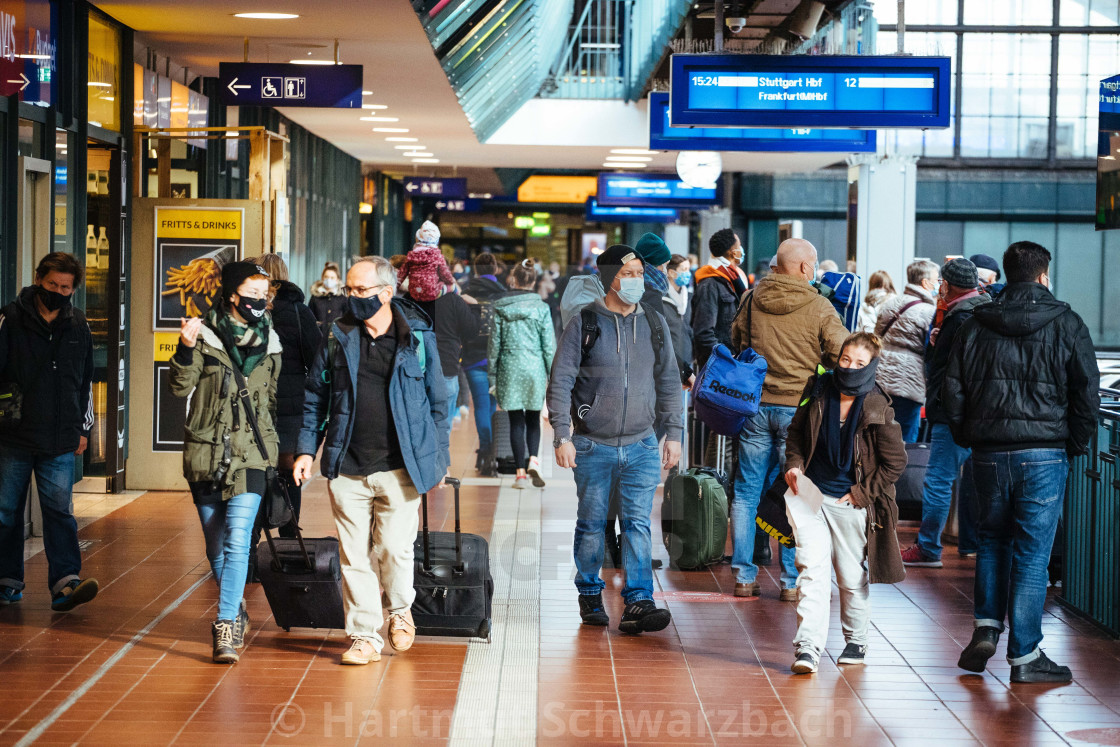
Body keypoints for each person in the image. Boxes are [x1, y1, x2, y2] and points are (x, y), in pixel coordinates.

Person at [945, 241, 1099, 684]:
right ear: (1044, 275)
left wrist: (969, 437)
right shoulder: (1068, 323)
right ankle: (1026, 655)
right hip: (1045, 452)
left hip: (988, 454)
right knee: (1033, 556)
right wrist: (1074, 443)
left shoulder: (974, 324)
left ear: (1007, 275)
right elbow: (1087, 392)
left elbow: (952, 390)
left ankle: (987, 628)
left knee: (992, 541)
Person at [294, 256, 449, 665]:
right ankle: (364, 636)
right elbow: (315, 398)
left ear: (385, 292)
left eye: (359, 290)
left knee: (394, 549)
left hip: (401, 467)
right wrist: (307, 449)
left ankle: (399, 611)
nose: (351, 297)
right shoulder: (337, 336)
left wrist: (439, 457)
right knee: (354, 555)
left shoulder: (417, 338)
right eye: (348, 289)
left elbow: (439, 404)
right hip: (347, 464)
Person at [547, 245, 681, 634]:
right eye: (629, 274)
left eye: (640, 272)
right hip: (592, 444)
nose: (637, 280)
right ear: (610, 279)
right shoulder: (585, 323)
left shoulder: (653, 323)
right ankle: (589, 592)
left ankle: (639, 600)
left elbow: (670, 381)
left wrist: (674, 433)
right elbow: (561, 381)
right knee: (591, 524)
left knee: (637, 523)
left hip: (641, 443)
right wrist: (561, 435)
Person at [170, 261, 281, 663]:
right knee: (215, 545)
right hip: (206, 453)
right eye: (253, 295)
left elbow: (268, 401)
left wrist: (277, 449)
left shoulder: (271, 342)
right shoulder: (203, 335)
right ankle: (235, 607)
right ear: (233, 295)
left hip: (251, 453)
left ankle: (224, 628)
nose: (260, 303)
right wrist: (183, 347)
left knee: (238, 542)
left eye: (264, 297)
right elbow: (180, 386)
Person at [728, 238, 848, 600]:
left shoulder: (751, 299)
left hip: (754, 407)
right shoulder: (819, 306)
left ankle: (744, 576)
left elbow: (737, 342)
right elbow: (841, 354)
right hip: (799, 412)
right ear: (803, 268)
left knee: (746, 491)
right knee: (796, 493)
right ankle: (791, 581)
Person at [783, 332, 906, 673]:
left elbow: (895, 462)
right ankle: (807, 648)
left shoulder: (877, 405)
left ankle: (856, 640)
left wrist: (862, 493)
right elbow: (795, 433)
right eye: (846, 360)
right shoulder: (818, 389)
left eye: (860, 363)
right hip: (810, 497)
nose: (851, 367)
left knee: (851, 578)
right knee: (812, 571)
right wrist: (794, 465)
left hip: (851, 503)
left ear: (872, 366)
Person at [0, 253, 99, 612]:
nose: (58, 291)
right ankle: (7, 579)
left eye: (66, 287)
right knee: (6, 510)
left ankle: (66, 583)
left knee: (59, 510)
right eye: (53, 284)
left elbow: (86, 381)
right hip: (13, 434)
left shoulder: (79, 325)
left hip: (60, 437)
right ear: (38, 279)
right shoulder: (9, 319)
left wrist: (84, 428)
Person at [901, 258, 990, 568]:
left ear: (949, 286)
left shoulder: (958, 317)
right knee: (977, 482)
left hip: (952, 415)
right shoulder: (984, 309)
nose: (939, 288)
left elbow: (947, 369)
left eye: (941, 283)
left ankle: (927, 548)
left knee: (938, 480)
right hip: (980, 413)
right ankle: (976, 546)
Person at [247, 254, 321, 550]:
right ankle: (290, 543)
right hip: (291, 406)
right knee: (292, 473)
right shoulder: (298, 312)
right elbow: (316, 358)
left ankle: (249, 550)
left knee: (252, 475)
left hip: (253, 404)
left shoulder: (245, 310)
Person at [398, 224, 481, 441]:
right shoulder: (452, 300)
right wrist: (474, 307)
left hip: (414, 369)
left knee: (415, 427)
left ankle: (419, 470)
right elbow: (472, 331)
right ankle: (439, 472)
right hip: (446, 367)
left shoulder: (407, 301)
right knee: (441, 427)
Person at [490, 260, 556, 488]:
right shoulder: (542, 308)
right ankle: (534, 461)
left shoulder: (500, 307)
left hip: (509, 366)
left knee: (515, 420)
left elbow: (494, 346)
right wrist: (552, 375)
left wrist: (492, 376)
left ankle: (519, 474)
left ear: (513, 280)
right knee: (534, 419)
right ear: (533, 281)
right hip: (534, 367)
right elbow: (548, 346)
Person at [874, 260, 939, 443]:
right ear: (926, 283)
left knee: (879, 435)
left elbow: (877, 337)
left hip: (880, 378)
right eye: (936, 280)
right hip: (908, 382)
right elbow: (930, 350)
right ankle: (903, 472)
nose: (938, 284)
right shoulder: (928, 312)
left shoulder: (889, 304)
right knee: (905, 439)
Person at [460, 254, 506, 476]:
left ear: (476, 270)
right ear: (496, 268)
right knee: (492, 406)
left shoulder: (465, 292)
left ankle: (486, 451)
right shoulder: (504, 293)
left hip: (473, 357)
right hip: (498, 359)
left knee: (480, 406)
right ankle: (490, 452)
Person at [692, 228, 746, 369]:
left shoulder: (732, 279)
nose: (741, 250)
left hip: (732, 362)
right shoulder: (710, 283)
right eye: (739, 246)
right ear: (731, 252)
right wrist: (726, 358)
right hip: (720, 366)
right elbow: (703, 332)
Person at [309, 261, 347, 329]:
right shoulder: (315, 297)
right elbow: (309, 317)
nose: (329, 280)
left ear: (337, 279)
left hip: (337, 337)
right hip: (319, 336)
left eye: (332, 277)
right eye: (326, 277)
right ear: (322, 278)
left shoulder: (342, 298)